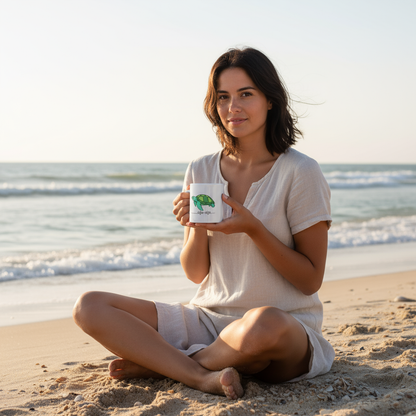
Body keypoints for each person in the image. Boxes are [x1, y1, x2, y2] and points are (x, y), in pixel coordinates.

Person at [73, 47, 334, 400]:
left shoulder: (301, 172)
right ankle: (200, 375)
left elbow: (310, 279)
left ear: (270, 100)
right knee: (90, 305)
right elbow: (196, 274)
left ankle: (167, 365)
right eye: (223, 97)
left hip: (283, 328)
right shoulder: (201, 169)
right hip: (208, 321)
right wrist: (194, 225)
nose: (233, 108)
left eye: (246, 94)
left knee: (263, 324)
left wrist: (253, 228)